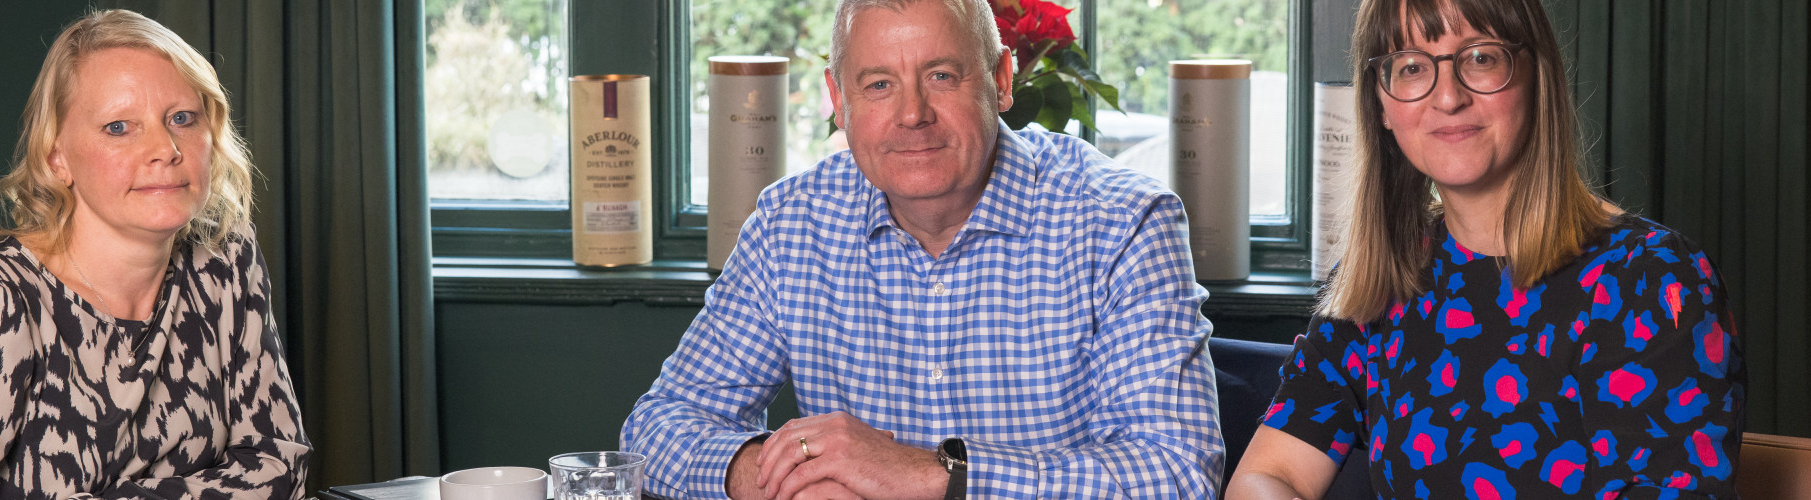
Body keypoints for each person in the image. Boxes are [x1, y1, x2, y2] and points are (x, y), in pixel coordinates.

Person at [620, 0, 1222, 498]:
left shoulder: (1122, 222)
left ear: (1002, 80)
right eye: (878, 85)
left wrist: (936, 475)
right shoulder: (791, 225)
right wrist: (785, 474)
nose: (912, 114)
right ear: (839, 99)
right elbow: (656, 428)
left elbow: (1178, 473)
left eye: (941, 76)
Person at [1225, 0, 1744, 498]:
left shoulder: (1652, 278)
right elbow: (1268, 476)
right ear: (1380, 105)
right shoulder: (1383, 279)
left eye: (1480, 57)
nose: (1447, 97)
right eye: (1410, 67)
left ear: (1535, 78)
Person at [0, 10, 309, 500]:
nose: (165, 148)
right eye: (119, 127)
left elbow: (279, 463)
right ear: (56, 157)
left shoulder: (225, 262)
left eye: (182, 118)